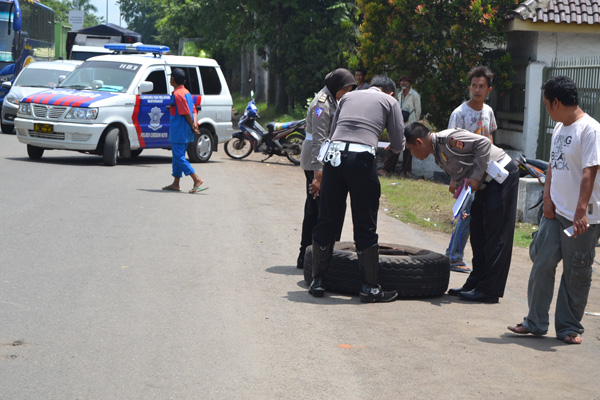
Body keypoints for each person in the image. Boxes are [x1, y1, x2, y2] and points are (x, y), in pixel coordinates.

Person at [507, 76, 600, 344]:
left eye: (547, 104)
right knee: (542, 263)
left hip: (582, 220)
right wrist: (547, 198)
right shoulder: (560, 127)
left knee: (576, 272)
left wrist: (581, 211)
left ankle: (569, 327)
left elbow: (589, 172)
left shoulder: (590, 130)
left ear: (557, 102)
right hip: (554, 213)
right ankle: (534, 322)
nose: (547, 109)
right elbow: (553, 166)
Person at [309, 75, 405, 303]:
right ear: (389, 92)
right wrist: (394, 146)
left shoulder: (347, 97)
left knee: (327, 218)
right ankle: (370, 287)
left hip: (334, 155)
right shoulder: (389, 101)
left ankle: (318, 281)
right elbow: (399, 141)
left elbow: (332, 132)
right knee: (364, 221)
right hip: (361, 159)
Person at [404, 122, 519, 303]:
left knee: (495, 235)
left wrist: (474, 177)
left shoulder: (449, 139)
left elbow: (482, 143)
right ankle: (475, 283)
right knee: (478, 233)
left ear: (419, 142)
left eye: (411, 150)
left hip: (500, 176)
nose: (413, 155)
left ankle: (489, 290)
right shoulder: (437, 151)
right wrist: (457, 182)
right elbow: (463, 163)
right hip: (485, 183)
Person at [297, 68, 357, 269]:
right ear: (337, 87)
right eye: (346, 90)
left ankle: (310, 256)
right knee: (317, 210)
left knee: (317, 208)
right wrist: (318, 173)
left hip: (322, 160)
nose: (347, 95)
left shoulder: (332, 100)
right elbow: (319, 140)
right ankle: (307, 256)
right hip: (317, 162)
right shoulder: (321, 104)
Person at [445, 66, 498, 273]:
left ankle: (452, 254)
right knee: (465, 215)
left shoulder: (488, 112)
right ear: (469, 87)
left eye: (482, 86)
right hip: (465, 174)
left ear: (489, 90)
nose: (477, 90)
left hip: (484, 174)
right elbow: (451, 146)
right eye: (474, 86)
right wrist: (454, 177)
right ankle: (455, 257)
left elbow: (489, 137)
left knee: (472, 215)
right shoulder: (459, 114)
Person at [162, 68, 205, 194]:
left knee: (179, 157)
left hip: (179, 131)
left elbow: (186, 112)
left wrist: (192, 125)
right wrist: (194, 125)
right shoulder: (186, 92)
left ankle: (196, 179)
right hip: (185, 131)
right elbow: (193, 110)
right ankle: (176, 183)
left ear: (173, 79)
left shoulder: (178, 94)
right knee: (176, 157)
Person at [379, 75, 421, 177]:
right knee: (395, 145)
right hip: (400, 123)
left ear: (410, 83)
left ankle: (405, 171)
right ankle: (387, 169)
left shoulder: (414, 95)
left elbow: (418, 111)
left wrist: (415, 124)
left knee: (408, 148)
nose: (403, 83)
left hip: (410, 124)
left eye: (405, 81)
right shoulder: (400, 94)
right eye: (401, 81)